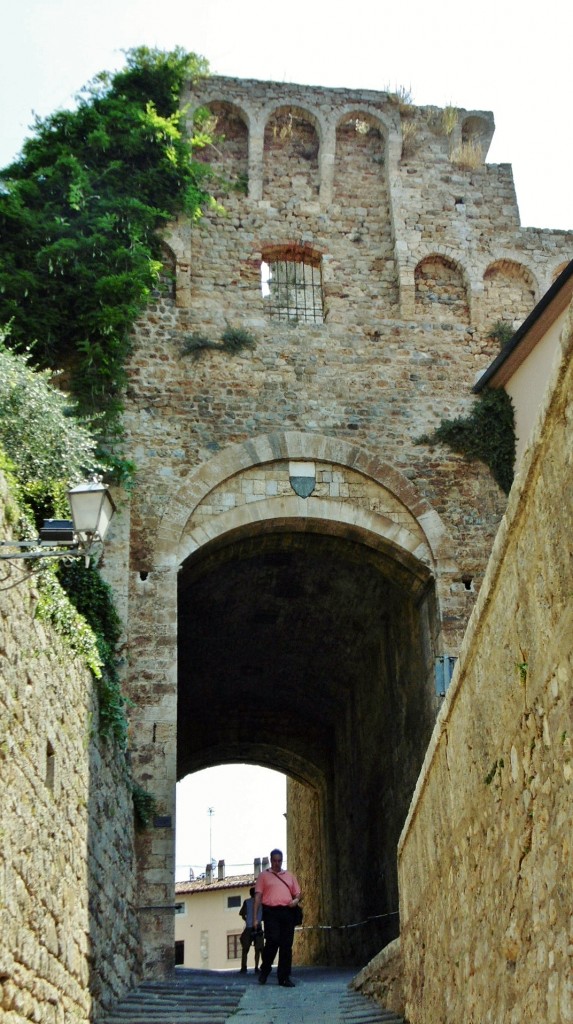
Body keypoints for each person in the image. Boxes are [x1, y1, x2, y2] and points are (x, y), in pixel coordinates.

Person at [253, 848, 302, 988]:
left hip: (287, 912)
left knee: (286, 945)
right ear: (270, 860)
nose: (277, 863)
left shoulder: (289, 876)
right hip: (271, 912)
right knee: (272, 941)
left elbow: (298, 893)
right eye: (274, 860)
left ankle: (284, 977)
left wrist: (296, 901)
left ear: (282, 861)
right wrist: (255, 918)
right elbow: (258, 896)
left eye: (279, 860)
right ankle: (265, 970)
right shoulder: (263, 876)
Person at [239, 886, 264, 973]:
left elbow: (242, 914)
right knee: (259, 949)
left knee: (245, 949)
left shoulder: (247, 902)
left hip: (249, 927)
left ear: (250, 894)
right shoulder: (262, 902)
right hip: (258, 927)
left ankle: (244, 967)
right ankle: (257, 967)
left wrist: (246, 919)